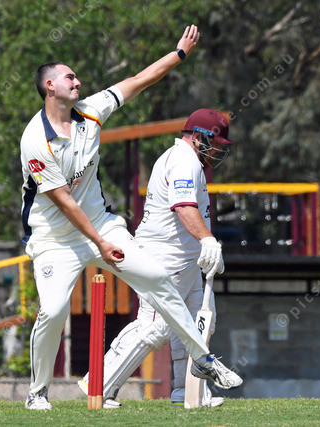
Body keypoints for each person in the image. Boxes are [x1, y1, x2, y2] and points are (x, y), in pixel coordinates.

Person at [19, 26, 242, 410]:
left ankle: (203, 359)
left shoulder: (90, 112)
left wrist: (179, 54)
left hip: (102, 225)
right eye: (70, 77)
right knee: (53, 311)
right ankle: (37, 392)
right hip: (55, 239)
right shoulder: (35, 141)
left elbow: (139, 81)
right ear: (50, 86)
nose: (78, 82)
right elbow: (65, 202)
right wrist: (99, 244)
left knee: (157, 279)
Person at [79, 109, 234, 408]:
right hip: (165, 257)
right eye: (215, 143)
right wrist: (208, 240)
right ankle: (98, 384)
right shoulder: (183, 161)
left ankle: (188, 394)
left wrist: (203, 245)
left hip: (184, 258)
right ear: (199, 137)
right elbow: (184, 207)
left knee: (194, 325)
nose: (217, 151)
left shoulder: (188, 161)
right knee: (154, 326)